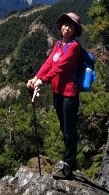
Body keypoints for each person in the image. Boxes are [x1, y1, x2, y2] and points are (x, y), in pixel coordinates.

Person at [27, 12, 82, 180]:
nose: (67, 28)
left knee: (69, 130)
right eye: (65, 25)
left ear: (75, 30)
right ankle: (68, 161)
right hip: (57, 92)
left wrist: (42, 81)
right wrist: (36, 77)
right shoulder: (58, 44)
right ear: (61, 26)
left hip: (69, 94)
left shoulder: (73, 47)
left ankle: (68, 165)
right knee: (63, 127)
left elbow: (60, 67)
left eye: (71, 26)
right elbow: (49, 63)